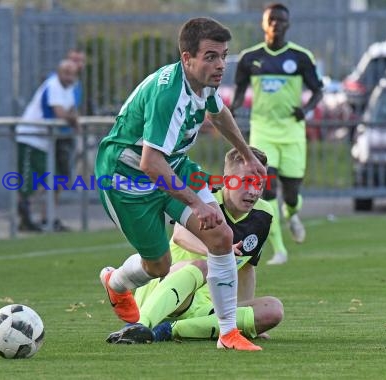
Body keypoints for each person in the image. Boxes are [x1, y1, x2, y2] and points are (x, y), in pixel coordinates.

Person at [95, 17, 266, 351]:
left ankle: (228, 333)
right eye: (211, 57)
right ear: (187, 58)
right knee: (159, 265)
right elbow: (149, 163)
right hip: (126, 181)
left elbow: (218, 114)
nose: (221, 65)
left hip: (172, 165)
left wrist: (247, 155)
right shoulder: (168, 95)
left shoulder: (204, 81)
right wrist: (197, 203)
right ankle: (115, 282)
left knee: (221, 236)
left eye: (224, 56)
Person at [106, 147, 283, 344]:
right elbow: (180, 236)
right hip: (165, 294)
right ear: (227, 179)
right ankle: (139, 325)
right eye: (246, 182)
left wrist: (242, 316)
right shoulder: (204, 196)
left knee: (273, 309)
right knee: (202, 266)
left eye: (259, 183)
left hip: (205, 307)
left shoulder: (264, 214)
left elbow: (247, 269)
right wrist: (219, 251)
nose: (253, 191)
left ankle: (170, 330)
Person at [230, 3, 323, 265]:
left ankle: (292, 214)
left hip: (292, 133)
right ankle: (279, 250)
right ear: (264, 23)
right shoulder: (250, 58)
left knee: (291, 194)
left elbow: (318, 91)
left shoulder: (301, 57)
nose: (276, 24)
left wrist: (306, 110)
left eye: (281, 20)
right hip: (263, 133)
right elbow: (238, 91)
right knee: (265, 191)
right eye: (271, 20)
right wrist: (233, 108)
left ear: (288, 25)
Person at [16, 59, 79, 232]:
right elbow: (61, 114)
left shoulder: (70, 89)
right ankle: (24, 218)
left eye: (71, 73)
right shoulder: (53, 85)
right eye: (65, 72)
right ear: (58, 72)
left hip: (46, 142)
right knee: (28, 181)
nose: (68, 76)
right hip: (31, 138)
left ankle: (47, 218)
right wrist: (73, 119)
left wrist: (72, 118)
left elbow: (72, 112)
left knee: (56, 180)